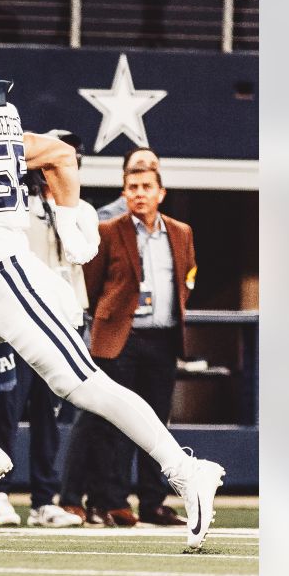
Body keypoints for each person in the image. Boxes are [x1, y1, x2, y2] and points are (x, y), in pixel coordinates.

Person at [0, 42, 223, 548]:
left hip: (12, 281)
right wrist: (74, 212)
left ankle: (186, 470)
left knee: (84, 387)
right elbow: (58, 152)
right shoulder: (0, 115)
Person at [0, 130, 96, 529]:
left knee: (49, 415)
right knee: (5, 409)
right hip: (16, 320)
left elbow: (83, 253)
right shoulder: (16, 206)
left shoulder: (82, 211)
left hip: (61, 322)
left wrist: (63, 211)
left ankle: (44, 500)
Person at [79, 165, 197, 527]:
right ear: (124, 192)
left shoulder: (181, 232)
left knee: (157, 422)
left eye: (147, 187)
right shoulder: (108, 231)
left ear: (161, 193)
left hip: (162, 338)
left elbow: (187, 276)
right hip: (121, 340)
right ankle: (112, 501)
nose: (139, 193)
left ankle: (153, 502)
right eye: (132, 187)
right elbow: (91, 284)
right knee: (116, 423)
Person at [97, 147, 160, 222]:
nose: (146, 170)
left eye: (153, 167)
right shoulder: (108, 216)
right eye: (140, 165)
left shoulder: (166, 224)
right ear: (125, 173)